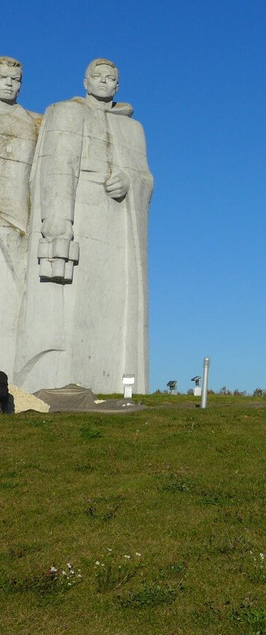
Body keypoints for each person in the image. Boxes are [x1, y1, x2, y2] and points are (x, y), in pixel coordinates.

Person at [16, 59, 153, 395]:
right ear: (85, 81)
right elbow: (56, 169)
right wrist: (58, 224)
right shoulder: (65, 112)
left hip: (119, 225)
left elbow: (144, 176)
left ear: (118, 86)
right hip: (80, 215)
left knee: (116, 306)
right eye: (98, 77)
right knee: (69, 306)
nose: (104, 82)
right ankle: (59, 378)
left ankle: (117, 384)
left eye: (111, 78)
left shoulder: (133, 128)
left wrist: (129, 181)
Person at [0, 57, 41, 374]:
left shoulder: (33, 121)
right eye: (3, 78)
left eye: (15, 80)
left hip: (18, 219)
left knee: (21, 292)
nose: (9, 84)